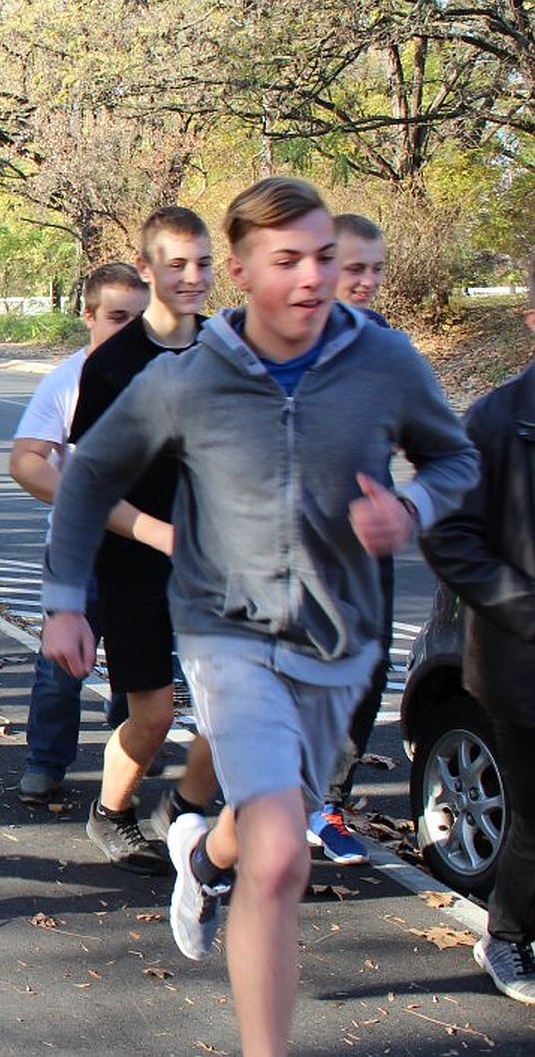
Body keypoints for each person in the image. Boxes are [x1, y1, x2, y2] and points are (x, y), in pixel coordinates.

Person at [41, 177, 477, 1055]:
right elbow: (86, 477)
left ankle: (201, 857)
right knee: (283, 853)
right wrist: (61, 601)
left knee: (268, 823)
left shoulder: (384, 361)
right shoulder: (185, 378)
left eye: (324, 256)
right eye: (289, 261)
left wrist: (413, 508)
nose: (314, 278)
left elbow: (453, 457)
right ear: (240, 272)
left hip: (340, 641)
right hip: (225, 630)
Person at [65, 207, 222, 872]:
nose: (193, 277)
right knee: (154, 715)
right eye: (177, 263)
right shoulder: (112, 365)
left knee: (235, 716)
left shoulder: (231, 349)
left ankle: (183, 812)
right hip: (136, 561)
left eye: (204, 263)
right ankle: (112, 811)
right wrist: (162, 533)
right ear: (149, 267)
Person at [421, 295, 535, 1007]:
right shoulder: (499, 419)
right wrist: (523, 602)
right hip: (522, 664)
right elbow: (446, 534)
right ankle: (507, 935)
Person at [8, 262, 151, 803]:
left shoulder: (170, 375)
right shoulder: (68, 380)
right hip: (81, 552)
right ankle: (45, 762)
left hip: (151, 555)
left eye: (140, 319)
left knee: (142, 672)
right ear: (88, 316)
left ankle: (129, 764)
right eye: (117, 317)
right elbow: (26, 462)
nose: (130, 330)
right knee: (61, 668)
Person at [308, 212, 395, 865]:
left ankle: (327, 804)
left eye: (374, 270)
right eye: (353, 268)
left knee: (367, 667)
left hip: (368, 540)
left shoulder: (388, 345)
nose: (363, 282)